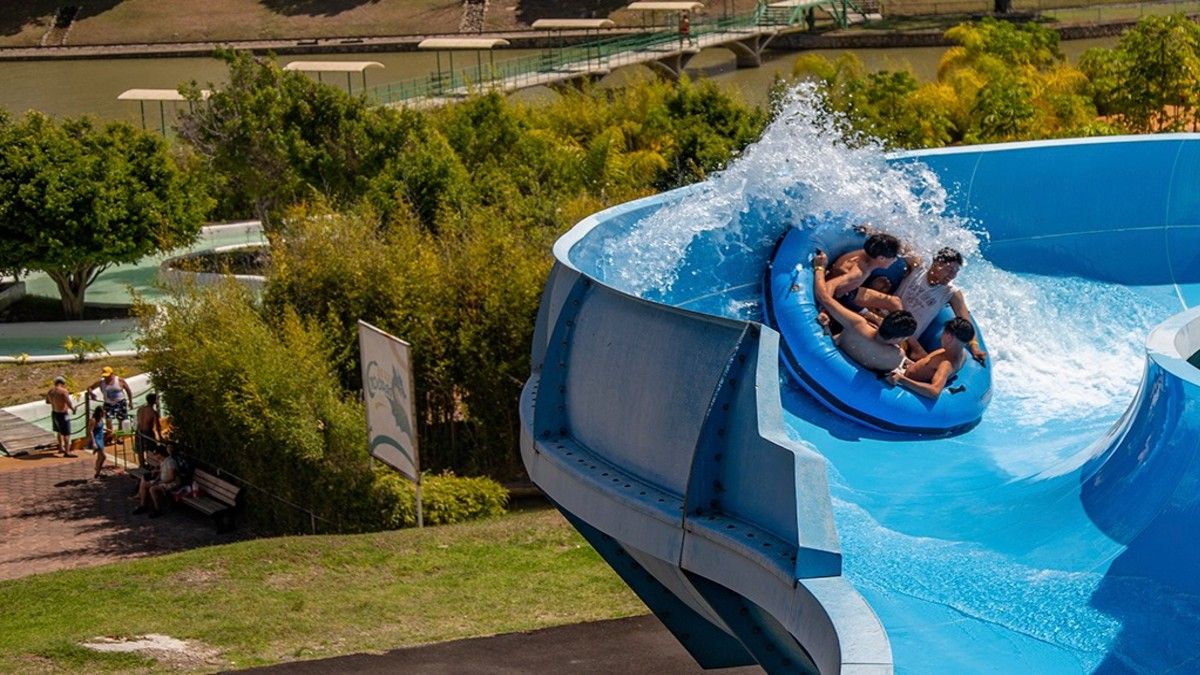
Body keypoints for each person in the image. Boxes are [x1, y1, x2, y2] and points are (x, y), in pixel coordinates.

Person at [812, 250, 917, 373]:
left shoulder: (858, 324)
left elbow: (824, 297)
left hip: (833, 353)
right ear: (900, 338)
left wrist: (820, 267)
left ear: (883, 322)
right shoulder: (896, 357)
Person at [895, 247, 988, 363]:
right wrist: (870, 231)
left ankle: (914, 350)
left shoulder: (951, 292)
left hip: (903, 337)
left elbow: (966, 322)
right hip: (884, 317)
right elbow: (899, 245)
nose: (951, 275)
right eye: (949, 269)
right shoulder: (918, 268)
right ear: (936, 263)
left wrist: (974, 347)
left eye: (955, 272)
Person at [887, 317, 975, 399]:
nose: (941, 336)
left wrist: (901, 379)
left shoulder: (946, 364)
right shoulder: (962, 353)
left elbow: (934, 392)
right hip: (908, 365)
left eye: (943, 333)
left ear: (948, 337)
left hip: (904, 376)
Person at [133, 444, 179, 518]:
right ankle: (143, 505)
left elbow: (171, 477)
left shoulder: (170, 462)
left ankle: (157, 509)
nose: (155, 457)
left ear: (160, 454)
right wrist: (157, 479)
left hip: (170, 484)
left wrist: (160, 482)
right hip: (163, 481)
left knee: (152, 489)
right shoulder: (163, 461)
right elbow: (162, 473)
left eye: (156, 454)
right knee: (144, 484)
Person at [87, 366, 133, 432]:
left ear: (112, 374)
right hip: (108, 404)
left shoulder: (120, 380)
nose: (106, 378)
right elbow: (89, 388)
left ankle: (119, 437)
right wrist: (92, 394)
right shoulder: (101, 382)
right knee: (108, 420)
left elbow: (128, 390)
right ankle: (110, 435)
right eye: (104, 376)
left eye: (107, 376)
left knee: (121, 420)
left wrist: (130, 401)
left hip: (120, 402)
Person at [45, 376, 76, 457]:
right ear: (63, 383)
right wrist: (73, 409)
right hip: (63, 414)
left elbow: (47, 401)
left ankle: (61, 447)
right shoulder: (63, 391)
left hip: (54, 413)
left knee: (59, 431)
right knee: (66, 433)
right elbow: (68, 402)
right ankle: (67, 451)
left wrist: (55, 402)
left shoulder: (50, 391)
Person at [135, 393, 162, 469]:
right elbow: (158, 427)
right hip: (147, 432)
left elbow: (137, 421)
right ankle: (150, 465)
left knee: (140, 450)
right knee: (150, 450)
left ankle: (142, 465)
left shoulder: (140, 409)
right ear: (154, 401)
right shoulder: (153, 412)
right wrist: (160, 437)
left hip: (139, 432)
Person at [87, 406, 107, 479]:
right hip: (96, 439)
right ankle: (98, 471)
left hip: (101, 438)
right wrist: (94, 442)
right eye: (103, 412)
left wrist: (107, 430)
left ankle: (97, 470)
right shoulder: (93, 420)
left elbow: (100, 428)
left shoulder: (101, 419)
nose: (104, 413)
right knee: (103, 456)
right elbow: (90, 431)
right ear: (99, 412)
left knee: (99, 457)